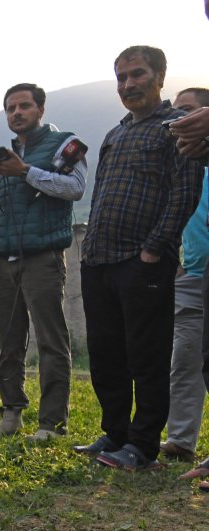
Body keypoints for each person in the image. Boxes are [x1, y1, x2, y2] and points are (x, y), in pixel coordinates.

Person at [73, 46, 205, 471]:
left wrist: (153, 249)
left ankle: (143, 446)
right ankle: (115, 433)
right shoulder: (115, 133)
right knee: (106, 352)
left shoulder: (177, 128)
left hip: (143, 260)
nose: (129, 84)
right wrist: (89, 250)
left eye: (137, 74)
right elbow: (100, 197)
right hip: (99, 259)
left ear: (160, 76)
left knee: (146, 356)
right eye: (122, 77)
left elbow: (185, 193)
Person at [0, 83, 87, 440]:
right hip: (4, 257)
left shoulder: (65, 144)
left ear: (40, 109)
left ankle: (51, 423)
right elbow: (7, 214)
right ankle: (11, 414)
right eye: (10, 108)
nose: (16, 113)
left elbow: (76, 189)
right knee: (8, 339)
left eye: (23, 106)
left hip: (43, 256)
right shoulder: (8, 156)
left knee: (51, 340)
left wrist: (25, 172)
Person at [162, 88, 209, 463]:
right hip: (192, 275)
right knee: (186, 358)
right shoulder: (178, 164)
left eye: (188, 111)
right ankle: (180, 440)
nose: (180, 119)